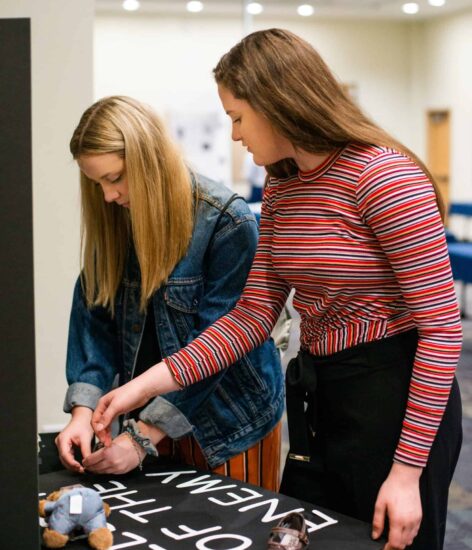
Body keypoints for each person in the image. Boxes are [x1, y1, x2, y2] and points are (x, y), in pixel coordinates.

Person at [91, 30, 462, 550]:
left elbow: (443, 331)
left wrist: (405, 475)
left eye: (238, 117)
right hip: (320, 392)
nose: (235, 134)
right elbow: (251, 317)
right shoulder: (283, 185)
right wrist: (144, 386)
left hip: (395, 397)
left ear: (277, 104)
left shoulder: (384, 177)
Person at [55, 95, 284, 488]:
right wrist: (82, 410)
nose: (108, 196)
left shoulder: (225, 221)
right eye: (97, 184)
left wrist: (145, 435)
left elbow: (218, 346)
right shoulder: (114, 217)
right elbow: (94, 321)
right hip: (142, 426)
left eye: (114, 178)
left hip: (228, 426)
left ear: (148, 164)